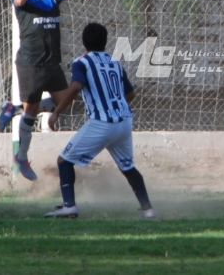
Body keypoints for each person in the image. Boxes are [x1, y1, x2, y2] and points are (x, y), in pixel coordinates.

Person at [44, 23, 155, 219]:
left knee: (64, 160)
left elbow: (76, 86)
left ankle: (69, 206)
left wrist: (56, 112)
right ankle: (148, 210)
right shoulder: (115, 62)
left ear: (83, 41)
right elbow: (130, 94)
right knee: (128, 167)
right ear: (105, 42)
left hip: (102, 123)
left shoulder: (82, 62)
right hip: (124, 121)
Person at [11, 0, 77, 180]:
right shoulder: (23, 0)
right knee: (31, 110)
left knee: (65, 101)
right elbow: (19, 0)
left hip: (52, 63)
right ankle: (21, 157)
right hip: (31, 63)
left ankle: (13, 110)